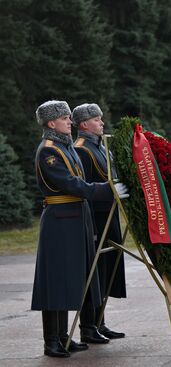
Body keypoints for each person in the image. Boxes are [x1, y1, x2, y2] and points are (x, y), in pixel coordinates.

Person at [31, 100, 129, 358]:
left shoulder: (65, 145)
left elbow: (81, 183)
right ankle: (51, 341)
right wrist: (107, 191)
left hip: (77, 216)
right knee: (55, 281)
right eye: (65, 118)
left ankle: (64, 337)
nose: (69, 121)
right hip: (60, 219)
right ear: (52, 123)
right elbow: (72, 184)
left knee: (72, 278)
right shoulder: (48, 150)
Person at [73, 103, 127, 340]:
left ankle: (99, 321)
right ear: (84, 124)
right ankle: (88, 327)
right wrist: (92, 227)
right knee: (94, 271)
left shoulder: (100, 145)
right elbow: (86, 189)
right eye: (96, 119)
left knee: (107, 269)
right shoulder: (82, 149)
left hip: (110, 213)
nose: (101, 122)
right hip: (96, 216)